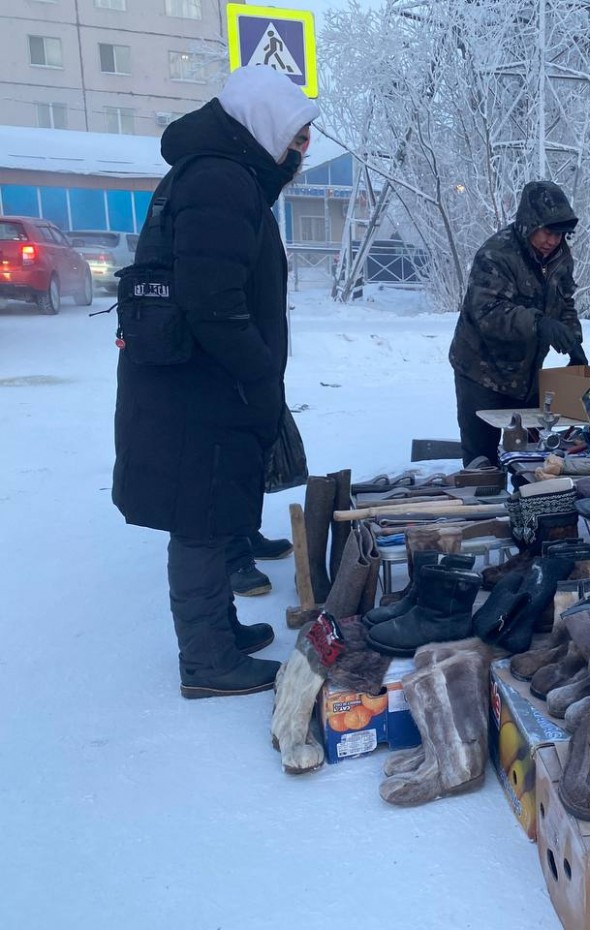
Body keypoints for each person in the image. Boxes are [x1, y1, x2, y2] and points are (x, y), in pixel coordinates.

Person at [112, 65, 318, 698]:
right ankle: (206, 663)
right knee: (199, 519)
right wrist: (259, 375)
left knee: (211, 510)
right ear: (262, 124)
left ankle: (219, 633)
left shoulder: (222, 173)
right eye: (296, 136)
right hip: (200, 386)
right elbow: (214, 303)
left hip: (199, 381)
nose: (300, 150)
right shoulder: (220, 180)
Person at [449, 180, 585, 467]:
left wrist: (574, 341)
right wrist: (540, 323)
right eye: (547, 231)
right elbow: (489, 312)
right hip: (481, 370)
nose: (553, 240)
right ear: (529, 224)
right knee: (481, 461)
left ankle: (531, 506)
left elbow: (565, 302)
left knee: (534, 458)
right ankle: (485, 505)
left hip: (527, 374)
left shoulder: (560, 257)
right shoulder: (496, 254)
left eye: (560, 234)